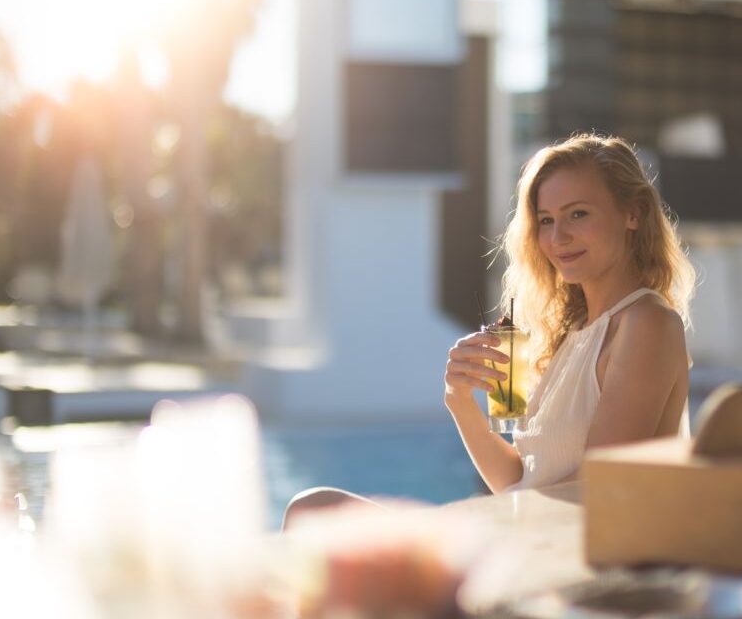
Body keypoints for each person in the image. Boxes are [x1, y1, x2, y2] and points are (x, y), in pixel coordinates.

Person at [285, 134, 695, 526]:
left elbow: (597, 493)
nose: (558, 237)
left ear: (633, 213)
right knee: (313, 510)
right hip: (523, 535)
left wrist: (472, 527)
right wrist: (460, 402)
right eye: (546, 220)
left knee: (314, 513)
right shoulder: (571, 333)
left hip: (557, 553)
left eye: (578, 214)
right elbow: (517, 479)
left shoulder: (646, 324)